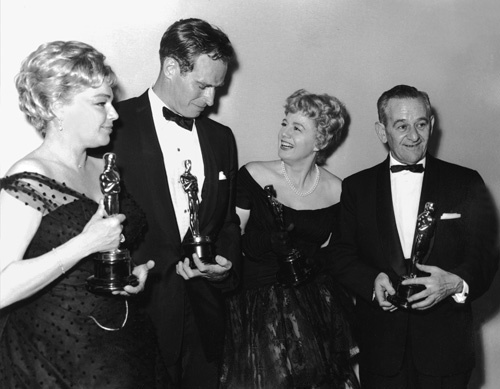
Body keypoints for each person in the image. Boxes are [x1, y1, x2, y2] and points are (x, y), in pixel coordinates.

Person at [0, 41, 158, 388]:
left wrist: (129, 275)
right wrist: (85, 244)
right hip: (53, 356)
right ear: (57, 106)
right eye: (101, 103)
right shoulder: (30, 176)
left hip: (120, 345)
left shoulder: (106, 168)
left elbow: (107, 250)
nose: (115, 113)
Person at [102, 18, 241, 388]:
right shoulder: (112, 129)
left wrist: (224, 267)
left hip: (205, 319)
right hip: (139, 319)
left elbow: (227, 223)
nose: (212, 100)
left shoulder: (222, 138)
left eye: (217, 88)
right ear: (171, 67)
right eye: (204, 86)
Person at [332, 84, 499, 389]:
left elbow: (486, 256)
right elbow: (342, 253)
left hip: (446, 352)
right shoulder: (357, 187)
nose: (414, 136)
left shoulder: (466, 181)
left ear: (431, 125)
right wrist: (371, 282)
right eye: (401, 126)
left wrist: (454, 283)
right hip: (381, 351)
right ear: (382, 131)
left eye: (421, 124)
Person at [221, 89, 360, 388]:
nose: (284, 133)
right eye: (285, 123)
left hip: (312, 305)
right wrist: (269, 242)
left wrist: (314, 259)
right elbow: (232, 241)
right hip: (256, 303)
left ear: (320, 141)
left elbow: (337, 253)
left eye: (297, 128)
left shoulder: (339, 191)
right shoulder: (253, 175)